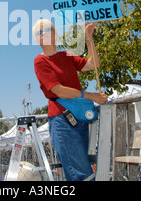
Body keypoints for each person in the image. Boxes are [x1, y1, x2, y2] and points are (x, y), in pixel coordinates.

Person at [33, 19, 108, 181]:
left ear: (56, 34)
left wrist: (88, 38)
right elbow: (58, 90)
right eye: (39, 33)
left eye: (47, 29)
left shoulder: (66, 55)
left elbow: (93, 64)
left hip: (79, 119)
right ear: (37, 40)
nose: (43, 33)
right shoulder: (40, 61)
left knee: (77, 172)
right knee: (82, 174)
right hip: (62, 120)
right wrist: (91, 96)